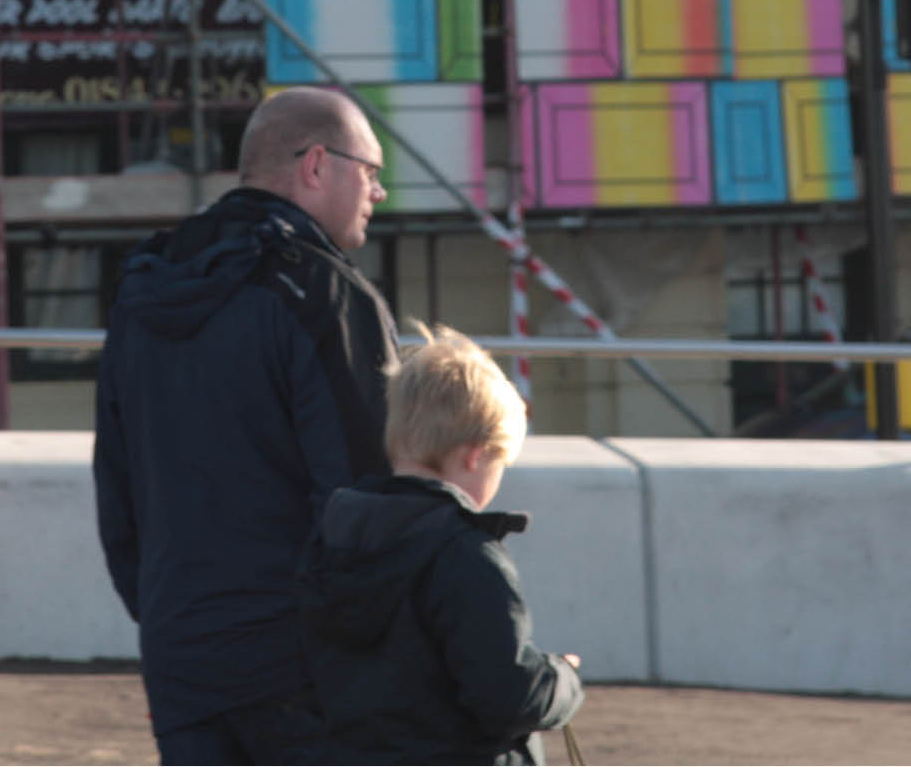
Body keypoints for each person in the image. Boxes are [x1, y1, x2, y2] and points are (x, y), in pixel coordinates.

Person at [93, 86, 403, 765]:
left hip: (181, 655)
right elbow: (369, 494)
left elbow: (116, 490)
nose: (378, 192)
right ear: (317, 164)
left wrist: (168, 617)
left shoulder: (144, 285)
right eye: (371, 171)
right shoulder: (324, 291)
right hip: (301, 666)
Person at [297, 325, 585, 765]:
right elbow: (505, 694)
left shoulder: (333, 539)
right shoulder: (465, 553)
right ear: (474, 454)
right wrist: (562, 678)